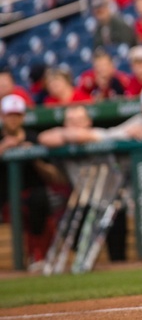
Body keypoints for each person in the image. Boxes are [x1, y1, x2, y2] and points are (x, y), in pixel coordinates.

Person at [0, 95, 61, 266]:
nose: (13, 119)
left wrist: (34, 156)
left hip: (36, 197)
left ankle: (41, 257)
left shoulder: (34, 138)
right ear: (2, 116)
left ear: (23, 117)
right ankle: (34, 257)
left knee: (40, 200)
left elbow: (54, 176)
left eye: (17, 115)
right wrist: (4, 148)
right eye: (9, 115)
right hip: (7, 198)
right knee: (22, 208)